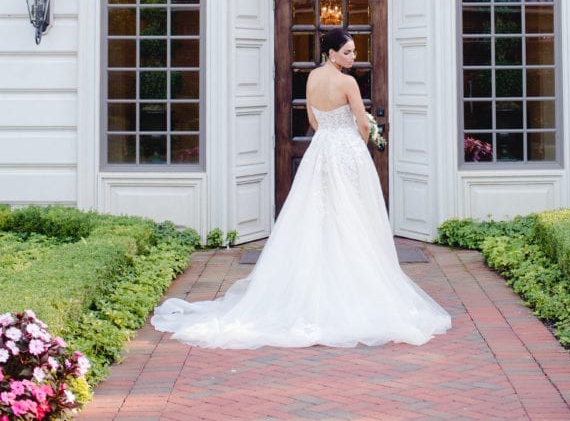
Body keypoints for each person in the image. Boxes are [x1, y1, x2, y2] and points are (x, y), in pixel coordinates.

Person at [151, 28, 451, 348]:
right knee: (351, 216)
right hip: (346, 150)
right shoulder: (347, 82)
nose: (353, 57)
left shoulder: (311, 78)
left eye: (354, 52)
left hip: (320, 149)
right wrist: (355, 145)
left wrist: (330, 137)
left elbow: (313, 117)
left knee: (316, 213)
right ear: (332, 53)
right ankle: (349, 289)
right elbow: (363, 123)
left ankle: (313, 287)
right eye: (348, 52)